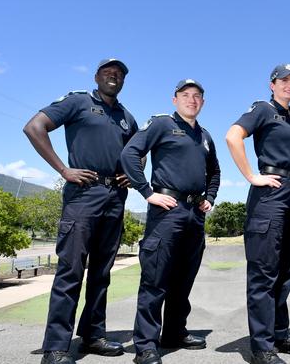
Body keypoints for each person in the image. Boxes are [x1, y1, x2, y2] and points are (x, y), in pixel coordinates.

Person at [23, 58, 137, 364]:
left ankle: (93, 335)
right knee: (71, 271)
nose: (114, 76)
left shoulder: (127, 118)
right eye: (108, 72)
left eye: (119, 74)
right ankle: (56, 347)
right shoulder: (78, 102)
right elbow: (34, 127)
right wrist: (63, 169)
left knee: (102, 272)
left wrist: (131, 173)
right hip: (83, 195)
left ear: (124, 81)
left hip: (115, 197)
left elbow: (135, 154)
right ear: (97, 76)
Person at [121, 79, 220, 364]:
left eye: (197, 96)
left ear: (202, 102)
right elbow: (130, 153)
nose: (192, 100)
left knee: (183, 279)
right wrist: (146, 192)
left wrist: (209, 197)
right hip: (167, 210)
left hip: (194, 213)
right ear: (174, 99)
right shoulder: (161, 124)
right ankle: (146, 346)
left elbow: (214, 171)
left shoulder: (204, 136)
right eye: (186, 95)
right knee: (155, 279)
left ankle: (175, 332)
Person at [226, 64, 290, 364]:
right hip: (270, 194)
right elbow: (233, 136)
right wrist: (252, 176)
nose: (289, 85)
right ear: (272, 84)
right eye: (284, 81)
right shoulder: (263, 109)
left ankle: (279, 332)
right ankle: (262, 346)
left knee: (286, 269)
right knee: (264, 272)